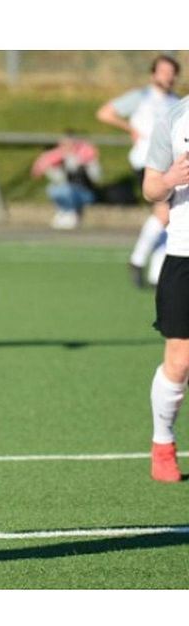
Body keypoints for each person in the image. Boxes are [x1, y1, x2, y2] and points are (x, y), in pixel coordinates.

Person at [97, 54, 181, 288]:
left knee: (170, 216)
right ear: (153, 74)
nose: (167, 76)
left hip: (171, 165)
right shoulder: (141, 97)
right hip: (147, 162)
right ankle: (137, 259)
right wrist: (130, 128)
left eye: (171, 72)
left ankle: (156, 272)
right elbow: (105, 113)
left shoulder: (177, 102)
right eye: (163, 71)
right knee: (164, 213)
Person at [142, 93, 189, 482]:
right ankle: (162, 443)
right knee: (180, 360)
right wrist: (170, 180)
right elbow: (150, 188)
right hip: (184, 256)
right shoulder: (175, 118)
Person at [30, 132, 101, 230]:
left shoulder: (85, 155)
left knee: (66, 189)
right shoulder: (58, 157)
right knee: (53, 188)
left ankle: (72, 213)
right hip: (67, 188)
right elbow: (58, 178)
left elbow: (96, 178)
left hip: (85, 192)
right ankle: (63, 211)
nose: (65, 147)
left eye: (69, 144)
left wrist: (82, 166)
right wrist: (52, 170)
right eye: (63, 144)